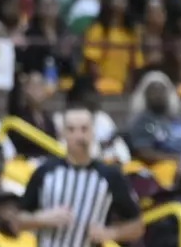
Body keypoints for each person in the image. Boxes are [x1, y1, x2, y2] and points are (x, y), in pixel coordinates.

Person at [16, 106, 144, 247]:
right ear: (63, 134)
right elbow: (18, 221)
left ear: (93, 132)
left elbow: (137, 226)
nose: (79, 136)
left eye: (84, 129)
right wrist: (41, 219)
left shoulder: (110, 176)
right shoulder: (45, 172)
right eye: (72, 130)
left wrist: (110, 233)